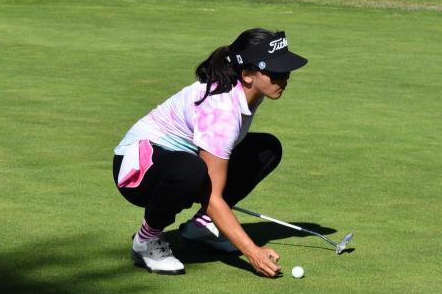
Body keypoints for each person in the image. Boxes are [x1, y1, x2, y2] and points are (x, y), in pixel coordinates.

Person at [112, 28, 307, 277]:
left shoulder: (248, 91)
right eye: (277, 73)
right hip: (136, 169)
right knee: (191, 170)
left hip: (176, 159)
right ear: (247, 75)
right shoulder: (222, 111)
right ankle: (146, 241)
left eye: (287, 72)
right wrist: (253, 252)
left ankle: (201, 227)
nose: (284, 79)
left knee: (265, 149)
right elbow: (212, 196)